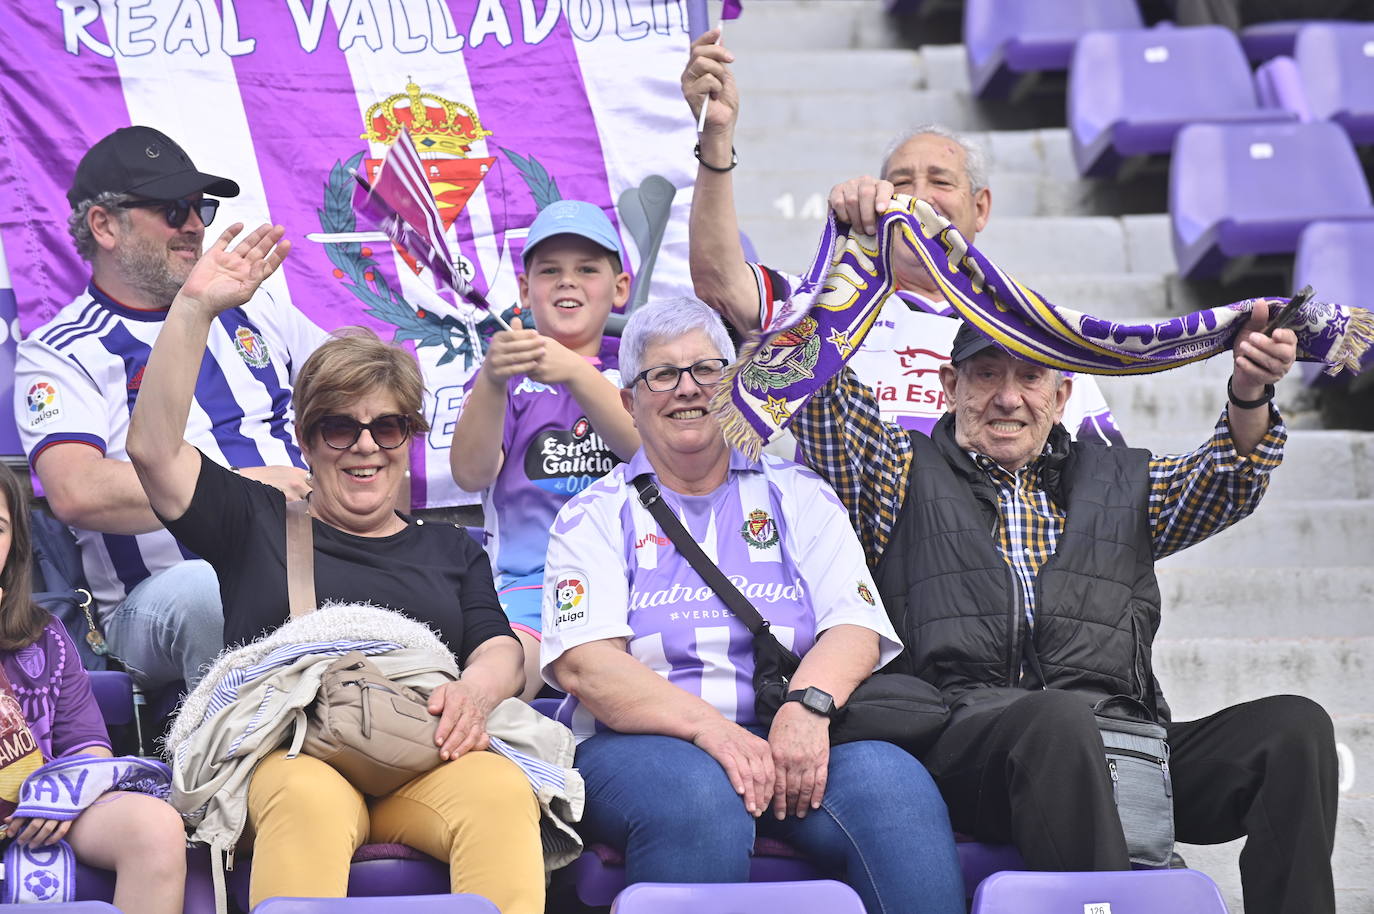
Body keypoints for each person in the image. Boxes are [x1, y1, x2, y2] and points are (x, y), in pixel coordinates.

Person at [684, 36, 1338, 914]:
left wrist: (1250, 392)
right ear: (949, 389)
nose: (1007, 397)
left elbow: (1228, 478)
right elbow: (823, 387)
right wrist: (854, 252)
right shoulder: (897, 471)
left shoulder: (1115, 478)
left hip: (1121, 735)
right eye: (985, 376)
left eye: (1028, 376)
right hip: (970, 736)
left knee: (1295, 730)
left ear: (1064, 390)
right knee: (1058, 720)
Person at [124, 222, 551, 913]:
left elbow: (497, 645)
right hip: (298, 755)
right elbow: (152, 452)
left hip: (423, 752)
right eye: (338, 427)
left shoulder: (453, 550)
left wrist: (473, 694)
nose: (364, 447)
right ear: (306, 440)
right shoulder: (254, 521)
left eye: (386, 427)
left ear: (409, 438)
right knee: (305, 798)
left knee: (503, 792)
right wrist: (195, 308)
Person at [541, 297, 965, 914]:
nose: (687, 389)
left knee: (896, 788)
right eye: (662, 375)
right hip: (642, 750)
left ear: (736, 384)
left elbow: (854, 626)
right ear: (630, 400)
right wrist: (713, 732)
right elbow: (586, 665)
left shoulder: (799, 493)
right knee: (698, 799)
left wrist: (806, 710)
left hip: (790, 731)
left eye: (707, 370)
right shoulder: (595, 515)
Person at [683, 31, 1122, 446]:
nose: (919, 200)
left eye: (941, 182)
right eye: (901, 183)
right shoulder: (822, 306)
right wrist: (716, 137)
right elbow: (719, 282)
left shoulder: (1032, 331)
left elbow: (1104, 476)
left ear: (981, 207)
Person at [14, 125, 325, 690]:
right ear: (104, 225)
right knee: (207, 590)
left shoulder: (258, 311)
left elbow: (359, 389)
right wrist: (247, 490)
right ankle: (240, 764)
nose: (195, 225)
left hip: (303, 552)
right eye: (170, 209)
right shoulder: (62, 349)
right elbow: (77, 492)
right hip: (156, 600)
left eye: (199, 206)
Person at [451, 200, 640, 700]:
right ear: (523, 288)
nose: (567, 281)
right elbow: (471, 474)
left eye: (587, 269)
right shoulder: (501, 380)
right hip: (531, 589)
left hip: (635, 587)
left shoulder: (640, 373)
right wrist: (492, 378)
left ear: (620, 288)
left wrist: (578, 372)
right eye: (549, 270)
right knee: (497, 685)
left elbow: (647, 453)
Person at [0, 463, 186, 914]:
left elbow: (87, 747)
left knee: (155, 826)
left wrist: (55, 798)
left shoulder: (44, 634)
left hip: (34, 808)